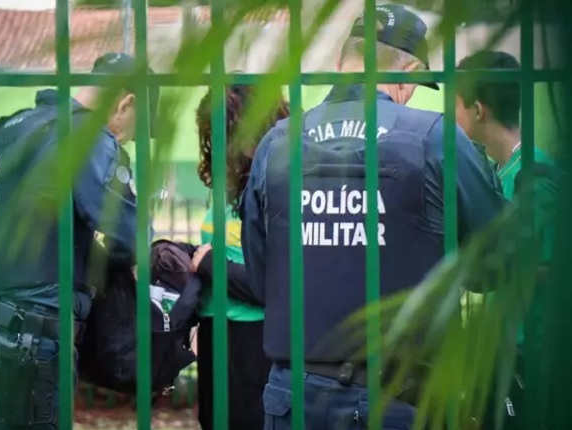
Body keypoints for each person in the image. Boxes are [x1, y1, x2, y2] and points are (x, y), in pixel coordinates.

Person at [240, 4, 506, 429]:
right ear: (409, 72)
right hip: (396, 400)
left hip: (292, 398)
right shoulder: (435, 138)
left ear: (340, 61)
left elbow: (261, 278)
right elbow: (497, 262)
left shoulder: (277, 143)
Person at [0, 53, 158, 429]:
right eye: (135, 129)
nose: (127, 140)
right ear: (126, 104)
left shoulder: (7, 131)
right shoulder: (85, 135)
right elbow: (132, 236)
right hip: (32, 346)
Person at [455, 50, 560, 429]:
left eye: (454, 104)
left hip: (530, 358)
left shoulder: (536, 177)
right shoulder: (502, 172)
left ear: (477, 110)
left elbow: (545, 267)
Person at [190, 84, 290, 430]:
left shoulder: (280, 184)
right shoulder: (229, 184)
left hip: (256, 340)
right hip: (216, 332)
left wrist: (210, 265)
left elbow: (278, 282)